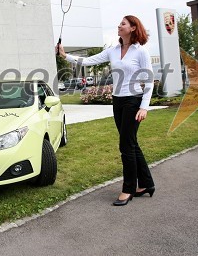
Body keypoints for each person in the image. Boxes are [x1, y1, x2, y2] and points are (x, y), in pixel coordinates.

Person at [56, 15, 155, 206]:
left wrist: (144, 107)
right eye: (120, 23)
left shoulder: (141, 52)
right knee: (131, 144)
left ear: (133, 28)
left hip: (133, 101)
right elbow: (87, 61)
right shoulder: (113, 50)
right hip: (117, 101)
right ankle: (146, 184)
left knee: (126, 146)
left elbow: (149, 79)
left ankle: (128, 189)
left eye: (123, 24)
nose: (119, 26)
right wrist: (64, 55)